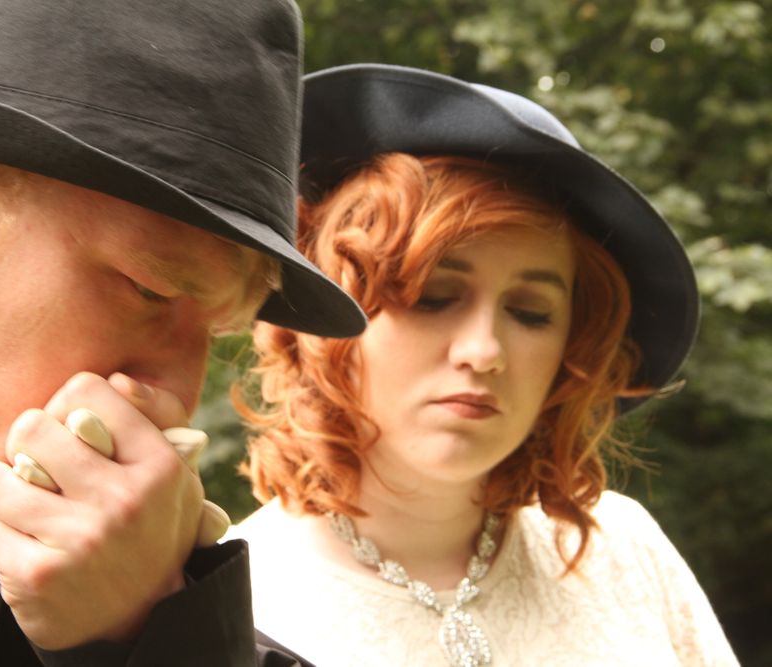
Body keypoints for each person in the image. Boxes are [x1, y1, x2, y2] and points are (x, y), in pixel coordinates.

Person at [0, 1, 366, 664]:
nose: (177, 394)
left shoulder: (113, 581)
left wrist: (147, 631)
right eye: (151, 289)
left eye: (217, 332)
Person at [230, 64, 739, 666]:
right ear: (330, 313)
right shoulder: (234, 604)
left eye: (530, 312)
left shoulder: (623, 552)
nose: (483, 351)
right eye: (432, 297)